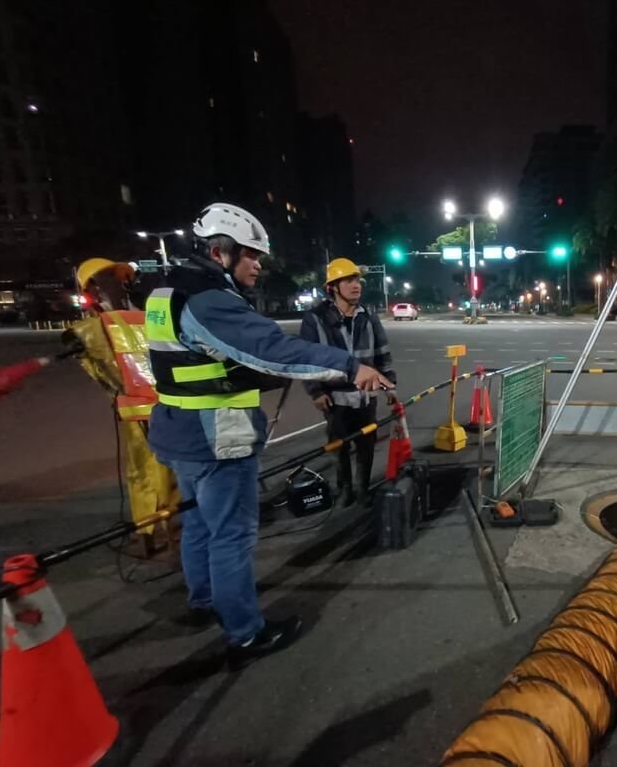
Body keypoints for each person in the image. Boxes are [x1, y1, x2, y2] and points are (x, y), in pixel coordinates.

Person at [146, 203, 392, 669]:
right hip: (216, 436)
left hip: (177, 429)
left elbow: (192, 358)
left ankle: (204, 599)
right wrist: (349, 367)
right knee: (231, 535)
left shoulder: (166, 290)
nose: (258, 265)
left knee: (198, 523)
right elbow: (271, 347)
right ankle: (244, 632)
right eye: (251, 255)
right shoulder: (209, 298)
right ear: (220, 253)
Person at [65, 259, 180, 554]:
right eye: (105, 280)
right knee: (147, 471)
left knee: (167, 468)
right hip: (140, 407)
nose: (114, 284)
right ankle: (151, 531)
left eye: (115, 278)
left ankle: (169, 525)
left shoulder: (131, 314)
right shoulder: (99, 324)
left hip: (163, 401)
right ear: (92, 289)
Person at [300, 258, 396, 506]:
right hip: (335, 398)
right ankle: (345, 489)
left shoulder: (368, 316)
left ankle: (362, 488)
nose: (356, 285)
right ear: (332, 287)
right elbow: (306, 358)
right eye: (349, 281)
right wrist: (315, 391)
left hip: (366, 396)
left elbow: (382, 352)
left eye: (358, 281)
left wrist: (389, 385)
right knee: (338, 446)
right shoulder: (316, 318)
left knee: (366, 445)